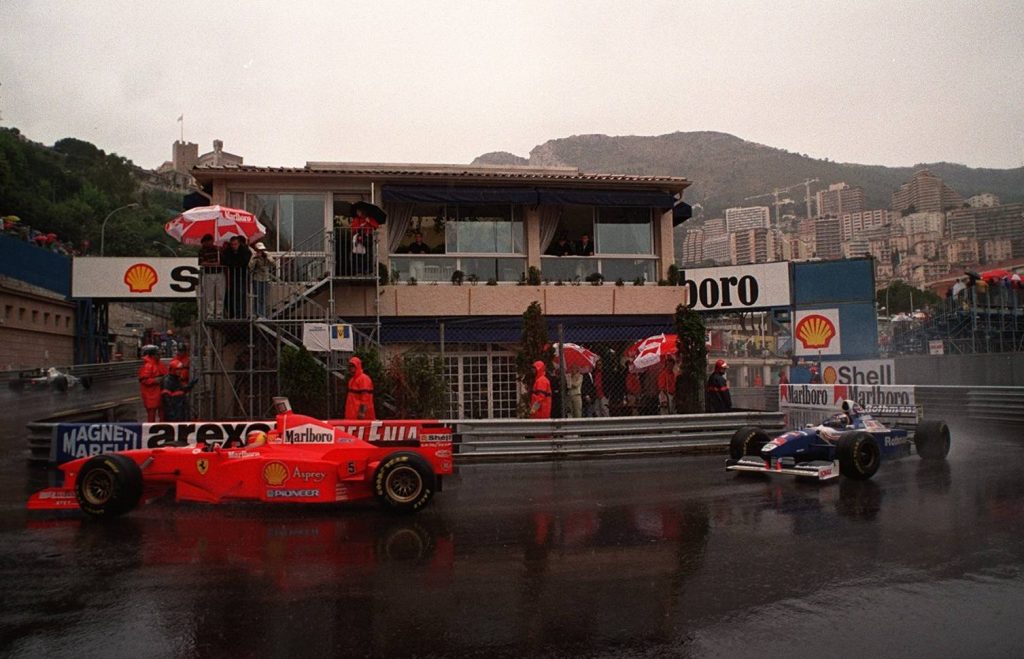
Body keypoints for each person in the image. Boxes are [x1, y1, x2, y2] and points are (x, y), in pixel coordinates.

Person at [220, 235, 251, 318]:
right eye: (232, 244)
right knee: (234, 294)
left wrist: (235, 264)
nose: (234, 246)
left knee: (242, 294)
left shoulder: (245, 250)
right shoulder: (228, 251)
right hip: (233, 275)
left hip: (243, 274)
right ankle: (236, 313)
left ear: (239, 243)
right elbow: (226, 260)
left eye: (235, 244)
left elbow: (244, 261)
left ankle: (242, 314)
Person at [138, 344, 167, 422]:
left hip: (160, 392)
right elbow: (143, 380)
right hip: (151, 394)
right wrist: (155, 380)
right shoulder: (148, 366)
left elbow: (166, 374)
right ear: (152, 355)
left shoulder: (160, 364)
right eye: (158, 354)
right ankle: (151, 430)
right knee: (151, 414)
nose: (159, 356)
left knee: (163, 412)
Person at [197, 234, 223, 318]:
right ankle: (210, 313)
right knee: (209, 295)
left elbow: (223, 261)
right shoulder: (202, 251)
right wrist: (214, 264)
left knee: (219, 294)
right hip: (208, 274)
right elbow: (202, 263)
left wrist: (220, 252)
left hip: (219, 273)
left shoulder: (218, 250)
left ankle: (219, 313)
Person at [248, 242, 275, 317]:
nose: (261, 251)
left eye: (262, 250)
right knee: (257, 297)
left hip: (265, 278)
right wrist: (255, 259)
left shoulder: (267, 254)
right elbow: (250, 267)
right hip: (257, 278)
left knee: (263, 297)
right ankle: (257, 313)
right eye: (259, 250)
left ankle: (262, 313)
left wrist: (268, 257)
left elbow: (273, 264)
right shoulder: (254, 256)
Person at [344, 356, 376, 420]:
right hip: (352, 415)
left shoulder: (364, 379)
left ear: (358, 366)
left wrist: (362, 412)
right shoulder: (352, 380)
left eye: (353, 366)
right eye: (350, 366)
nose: (350, 368)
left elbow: (365, 397)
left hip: (361, 417)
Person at [351, 206, 379, 274]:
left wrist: (369, 222)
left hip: (368, 236)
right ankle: (359, 270)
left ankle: (368, 270)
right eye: (357, 211)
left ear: (363, 211)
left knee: (368, 253)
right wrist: (360, 227)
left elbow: (376, 226)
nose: (358, 213)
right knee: (359, 254)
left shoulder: (369, 218)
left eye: (359, 211)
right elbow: (353, 229)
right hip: (360, 237)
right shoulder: (356, 219)